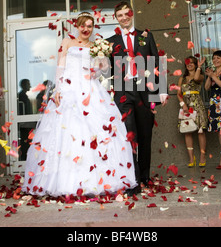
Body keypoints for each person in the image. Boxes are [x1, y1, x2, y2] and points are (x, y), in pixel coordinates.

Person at [22, 12, 137, 197]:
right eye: (83, 25)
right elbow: (60, 67)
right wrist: (58, 90)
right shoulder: (67, 43)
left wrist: (100, 65)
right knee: (67, 132)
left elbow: (99, 72)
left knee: (96, 133)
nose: (86, 29)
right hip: (68, 89)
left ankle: (95, 180)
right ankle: (65, 181)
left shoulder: (95, 46)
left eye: (90, 26)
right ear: (77, 26)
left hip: (90, 89)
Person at [107, 1, 168, 191]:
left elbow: (156, 62)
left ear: (132, 14)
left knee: (145, 135)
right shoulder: (111, 41)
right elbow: (105, 69)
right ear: (116, 18)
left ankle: (145, 177)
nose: (124, 17)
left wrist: (163, 90)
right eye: (120, 15)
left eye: (127, 14)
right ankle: (132, 180)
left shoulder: (146, 36)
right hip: (122, 92)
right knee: (129, 135)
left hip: (145, 91)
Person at [177, 56, 208, 167]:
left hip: (197, 105)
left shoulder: (200, 76)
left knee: (200, 131)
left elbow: (195, 78)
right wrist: (183, 104)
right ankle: (191, 158)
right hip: (186, 106)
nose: (189, 64)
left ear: (195, 64)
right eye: (187, 62)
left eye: (192, 63)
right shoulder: (182, 79)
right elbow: (178, 94)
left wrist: (199, 67)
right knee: (187, 131)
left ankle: (202, 156)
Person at [204, 50, 221, 169]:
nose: (215, 60)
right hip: (213, 103)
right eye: (214, 58)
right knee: (219, 130)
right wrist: (210, 76)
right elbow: (206, 87)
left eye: (218, 58)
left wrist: (214, 76)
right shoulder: (213, 72)